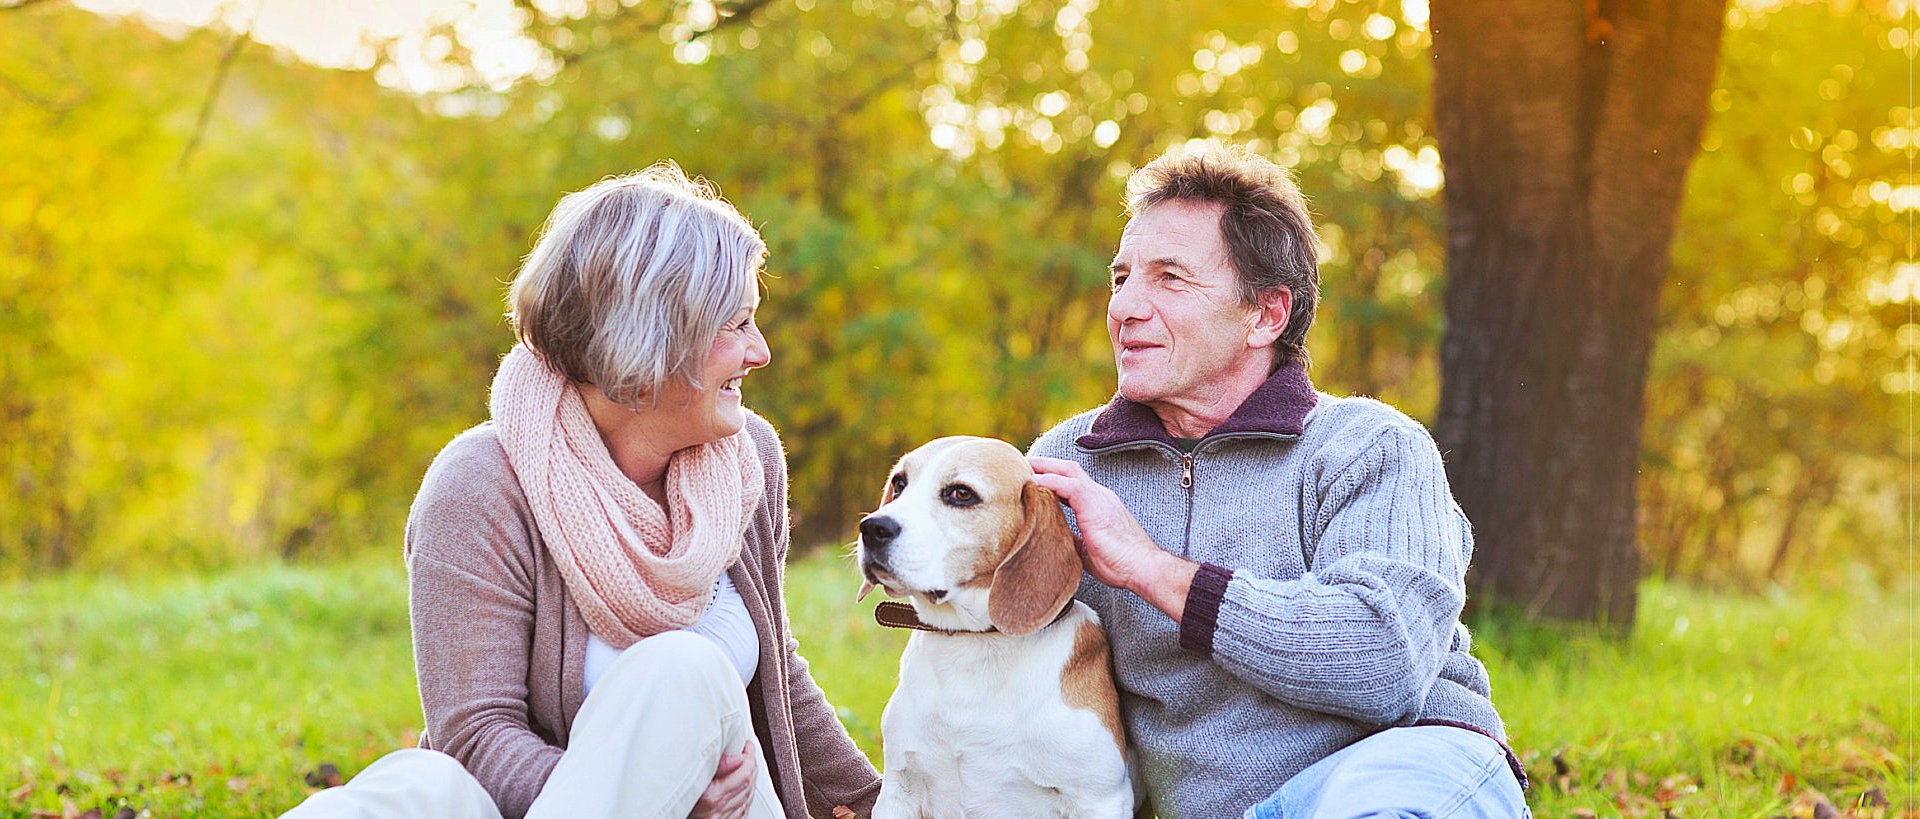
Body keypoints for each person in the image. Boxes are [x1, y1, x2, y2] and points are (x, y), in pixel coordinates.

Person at [284, 165, 880, 819]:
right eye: (735, 325)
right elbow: (475, 740)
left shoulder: (748, 461)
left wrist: (885, 806)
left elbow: (778, 677)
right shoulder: (480, 487)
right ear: (654, 340)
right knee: (417, 786)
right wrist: (661, 789)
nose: (759, 351)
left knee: (682, 667)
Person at [1026, 144, 1529, 819]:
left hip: (1400, 770)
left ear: (1265, 314)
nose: (1125, 307)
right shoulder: (1070, 461)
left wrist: (1151, 568)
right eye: (1121, 277)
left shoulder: (1370, 446)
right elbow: (1014, 659)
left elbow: (1382, 661)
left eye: (1169, 278)